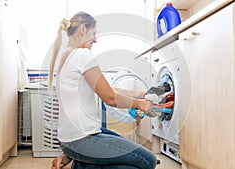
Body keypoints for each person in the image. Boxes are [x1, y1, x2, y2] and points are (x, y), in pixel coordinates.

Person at [48, 11, 157, 169]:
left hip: (70, 140)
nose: (96, 39)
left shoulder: (67, 55)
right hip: (81, 139)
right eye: (94, 33)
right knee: (148, 161)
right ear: (83, 29)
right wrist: (140, 104)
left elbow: (106, 89)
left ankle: (72, 160)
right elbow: (110, 98)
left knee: (126, 155)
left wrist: (140, 94)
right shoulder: (82, 55)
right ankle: (76, 166)